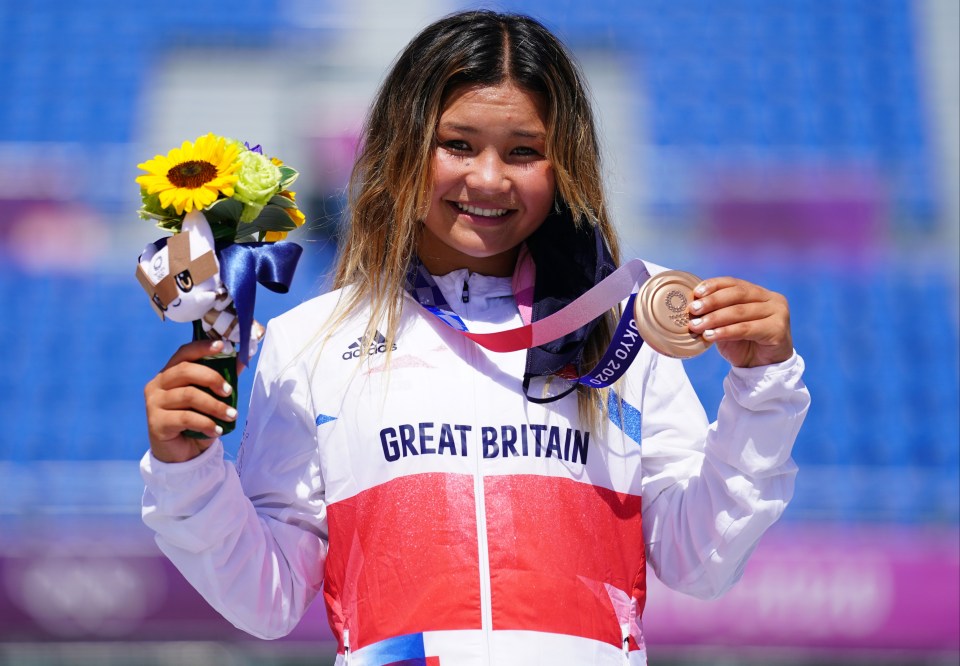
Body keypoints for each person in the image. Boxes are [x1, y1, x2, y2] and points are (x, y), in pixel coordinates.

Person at [141, 10, 809, 666]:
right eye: (457, 145)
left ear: (564, 162)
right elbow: (269, 599)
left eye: (524, 151)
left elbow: (701, 562)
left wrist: (762, 389)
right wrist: (189, 472)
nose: (488, 178)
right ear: (402, 149)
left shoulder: (622, 325)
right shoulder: (312, 342)